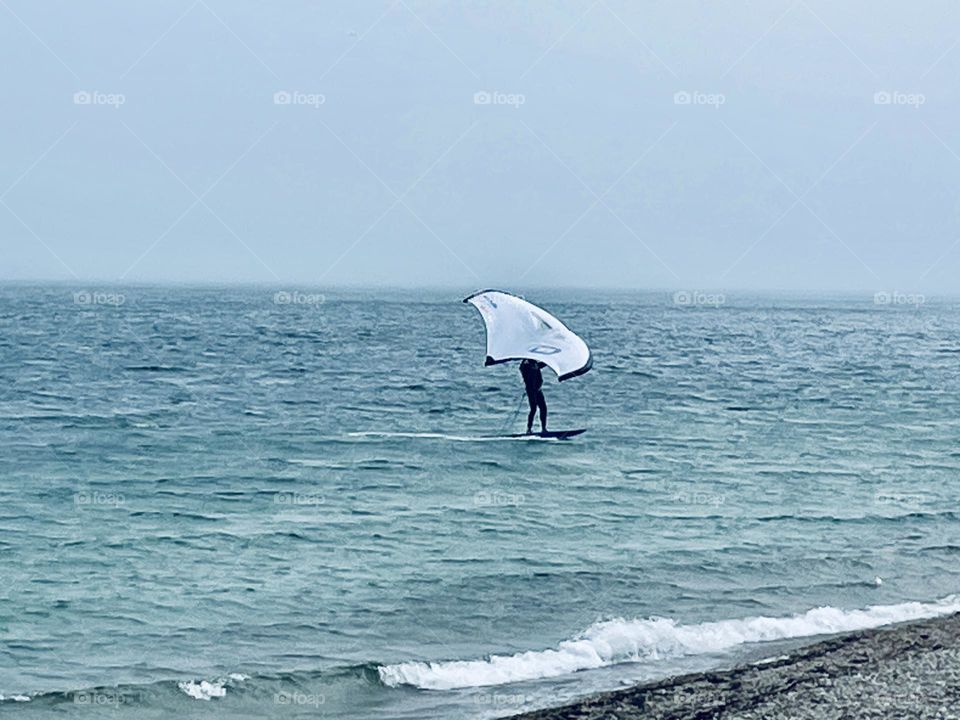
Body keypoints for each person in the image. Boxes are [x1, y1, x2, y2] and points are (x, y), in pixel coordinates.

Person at [519, 359, 547, 434]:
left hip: (538, 389)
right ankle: (529, 429)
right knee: (533, 408)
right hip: (531, 390)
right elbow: (522, 369)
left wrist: (551, 360)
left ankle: (544, 429)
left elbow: (541, 365)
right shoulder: (525, 364)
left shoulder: (535, 363)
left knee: (543, 408)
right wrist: (531, 366)